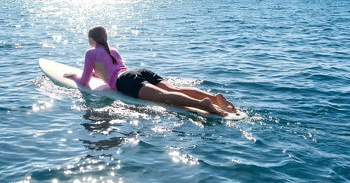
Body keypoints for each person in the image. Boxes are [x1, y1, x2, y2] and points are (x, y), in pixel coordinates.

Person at [64, 26, 238, 117]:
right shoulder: (113, 50)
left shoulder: (91, 53)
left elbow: (84, 81)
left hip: (125, 81)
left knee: (163, 97)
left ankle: (203, 104)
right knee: (173, 90)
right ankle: (215, 98)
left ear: (92, 39)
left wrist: (75, 76)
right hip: (139, 71)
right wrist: (97, 74)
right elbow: (107, 71)